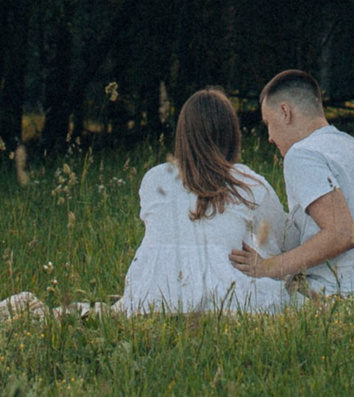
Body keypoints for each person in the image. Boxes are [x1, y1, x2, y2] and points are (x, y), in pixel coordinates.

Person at [228, 69, 354, 296]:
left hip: (344, 298)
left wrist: (267, 267)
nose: (270, 137)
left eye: (268, 123)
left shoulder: (302, 154)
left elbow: (342, 235)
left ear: (285, 112)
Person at [116, 86, 296, 314]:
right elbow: (283, 242)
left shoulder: (155, 178)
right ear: (232, 134)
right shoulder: (249, 183)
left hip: (148, 298)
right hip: (224, 301)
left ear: (183, 134)